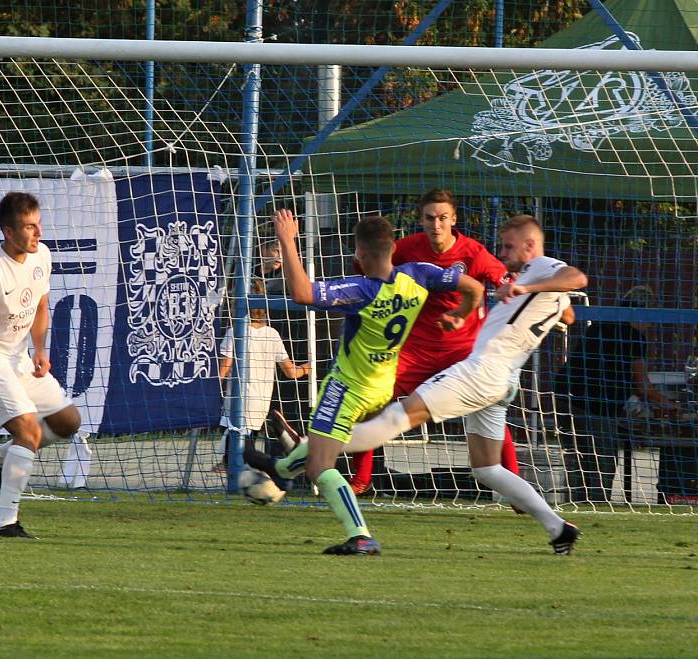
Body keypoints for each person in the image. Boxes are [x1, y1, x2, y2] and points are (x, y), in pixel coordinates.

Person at [334, 215, 588, 554]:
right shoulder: (538, 280)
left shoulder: (543, 266)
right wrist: (535, 300)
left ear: (530, 246)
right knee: (486, 468)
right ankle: (558, 528)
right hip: (501, 378)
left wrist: (525, 288)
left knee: (398, 416)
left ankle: (310, 447)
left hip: (481, 371)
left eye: (509, 246)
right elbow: (567, 311)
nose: (502, 252)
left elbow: (577, 277)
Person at [246, 208, 484, 555]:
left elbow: (302, 293)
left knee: (320, 466)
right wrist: (460, 316)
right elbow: (474, 287)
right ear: (393, 248)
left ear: (359, 253)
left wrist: (286, 239)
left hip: (346, 389)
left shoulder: (361, 290)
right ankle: (281, 469)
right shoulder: (419, 275)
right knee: (322, 445)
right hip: (383, 388)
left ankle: (360, 534)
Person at [349, 189, 519, 495]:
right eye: (429, 218)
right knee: (373, 401)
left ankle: (514, 485)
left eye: (442, 218)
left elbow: (504, 280)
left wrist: (509, 289)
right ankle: (361, 479)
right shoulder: (407, 248)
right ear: (421, 219)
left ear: (453, 219)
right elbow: (372, 266)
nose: (436, 225)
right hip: (416, 349)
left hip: (463, 350)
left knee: (490, 409)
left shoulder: (473, 252)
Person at [0, 191, 82, 538]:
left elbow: (40, 304)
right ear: (9, 232)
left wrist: (40, 348)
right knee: (29, 432)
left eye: (38, 224)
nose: (38, 233)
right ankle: (5, 522)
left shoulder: (42, 255)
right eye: (29, 226)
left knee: (68, 421)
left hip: (20, 357)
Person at [555, 284, 677, 503]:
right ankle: (596, 503)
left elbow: (620, 375)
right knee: (602, 461)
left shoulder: (603, 325)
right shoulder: (633, 336)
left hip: (566, 395)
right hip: (592, 403)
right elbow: (642, 386)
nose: (650, 325)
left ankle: (575, 503)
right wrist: (670, 405)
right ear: (643, 312)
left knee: (577, 458)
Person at [214, 279, 310, 472]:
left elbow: (222, 372)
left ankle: (276, 469)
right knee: (240, 452)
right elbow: (291, 372)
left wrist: (210, 389)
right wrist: (308, 368)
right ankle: (245, 475)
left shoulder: (235, 332)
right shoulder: (272, 334)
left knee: (239, 453)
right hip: (261, 403)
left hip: (237, 402)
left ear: (238, 305)